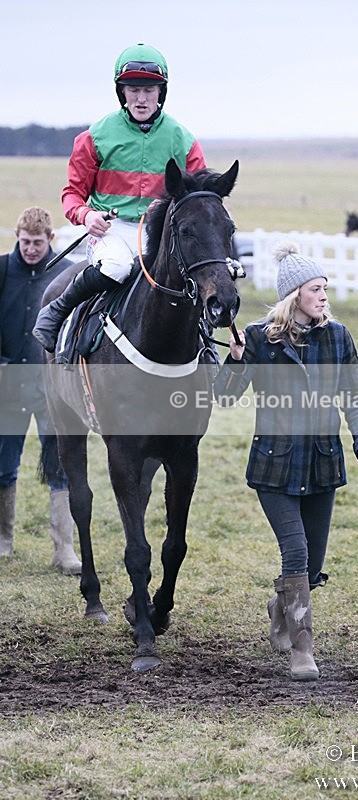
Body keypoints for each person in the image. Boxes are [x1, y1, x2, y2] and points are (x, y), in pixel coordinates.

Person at [213, 242, 358, 682]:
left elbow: (354, 395)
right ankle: (302, 651)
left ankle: (281, 604)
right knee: (297, 553)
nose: (324, 296)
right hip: (275, 467)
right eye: (315, 289)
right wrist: (232, 361)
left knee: (314, 562)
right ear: (294, 296)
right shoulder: (259, 339)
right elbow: (225, 396)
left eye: (325, 288)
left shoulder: (338, 336)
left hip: (322, 464)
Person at [33, 42, 207, 353]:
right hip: (111, 231)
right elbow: (73, 194)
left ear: (161, 92)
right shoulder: (95, 136)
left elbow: (199, 199)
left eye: (149, 90)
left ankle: (205, 346)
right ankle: (57, 311)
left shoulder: (183, 139)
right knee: (116, 266)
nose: (141, 98)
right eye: (133, 89)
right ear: (121, 92)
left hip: (157, 232)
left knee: (190, 275)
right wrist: (87, 216)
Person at [0, 207, 81, 574]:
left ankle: (64, 549)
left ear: (50, 239)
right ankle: (3, 541)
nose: (31, 249)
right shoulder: (2, 271)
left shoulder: (63, 275)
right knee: (3, 467)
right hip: (10, 385)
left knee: (60, 465)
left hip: (52, 387)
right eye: (25, 241)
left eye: (37, 242)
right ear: (17, 237)